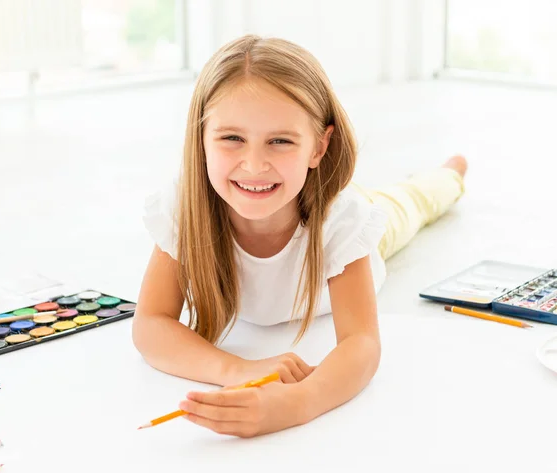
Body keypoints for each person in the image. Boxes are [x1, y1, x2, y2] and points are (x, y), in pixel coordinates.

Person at [133, 34, 467, 438]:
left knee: (410, 203)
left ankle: (448, 174)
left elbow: (361, 343)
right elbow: (150, 323)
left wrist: (296, 403)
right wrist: (236, 369)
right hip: (316, 196)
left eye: (280, 141)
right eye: (232, 138)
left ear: (318, 147)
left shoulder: (343, 222)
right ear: (200, 139)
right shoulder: (183, 206)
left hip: (362, 222)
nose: (254, 165)